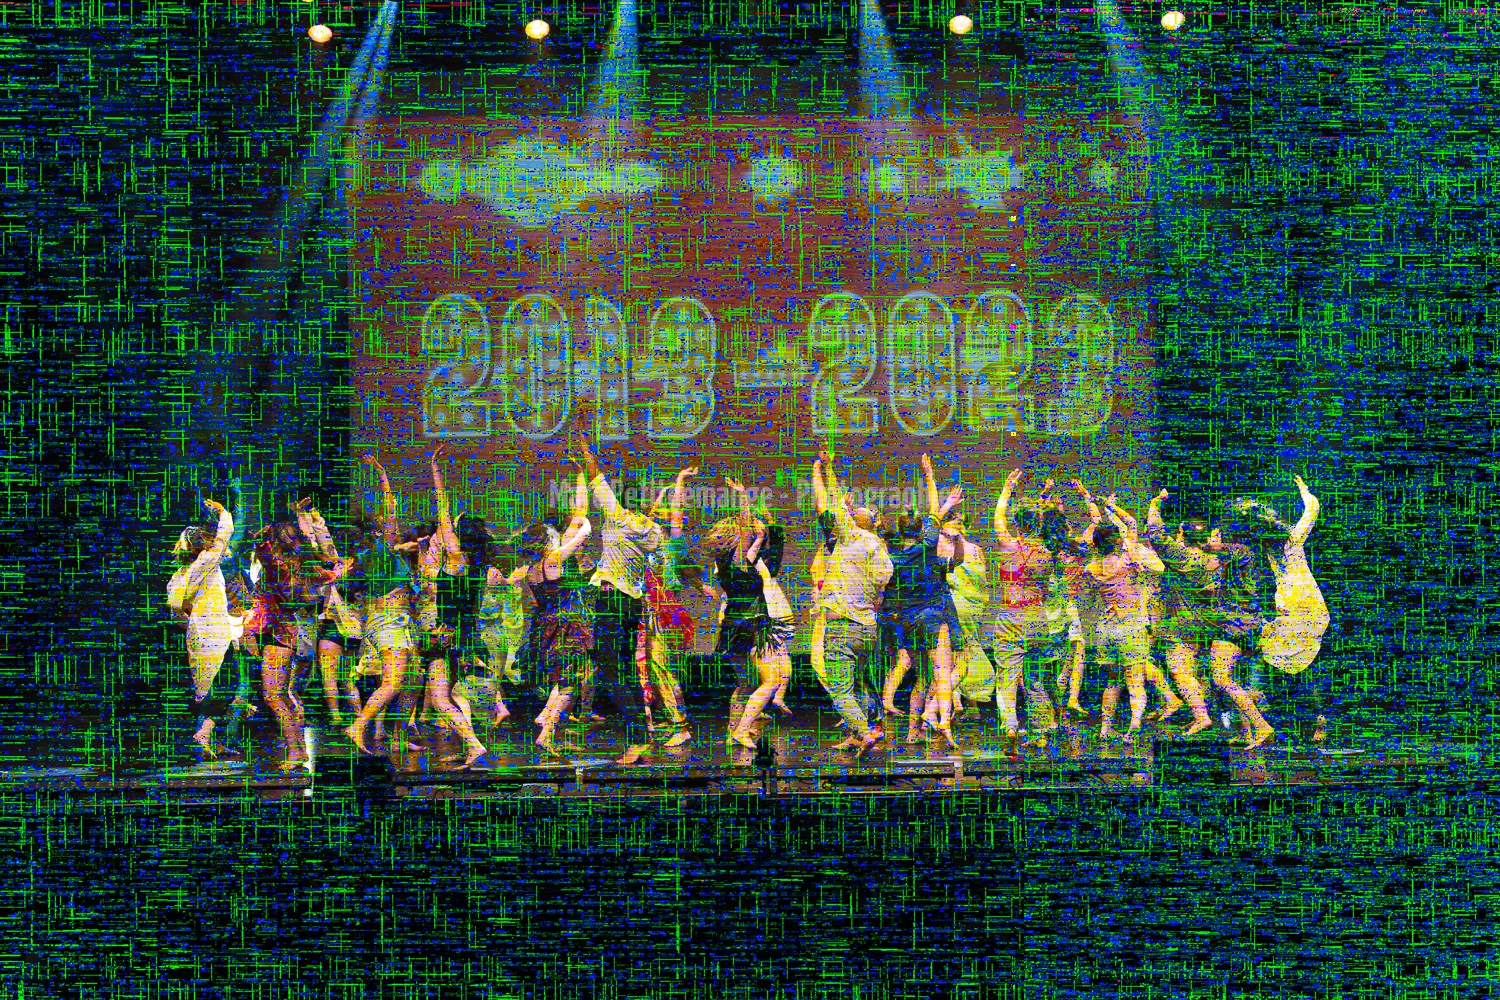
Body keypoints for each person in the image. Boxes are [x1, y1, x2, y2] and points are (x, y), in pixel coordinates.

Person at [1145, 491, 1275, 748]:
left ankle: (1259, 726)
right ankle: (1247, 730)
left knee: (1219, 677)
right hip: (1229, 623)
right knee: (1228, 677)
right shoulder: (1226, 557)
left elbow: (1157, 535)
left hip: (1231, 624)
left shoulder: (1224, 553)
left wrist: (1155, 504)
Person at [573, 422, 662, 746]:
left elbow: (596, 475)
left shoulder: (616, 516)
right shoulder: (651, 528)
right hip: (633, 602)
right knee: (625, 666)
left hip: (612, 600)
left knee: (610, 668)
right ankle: (642, 727)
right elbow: (654, 543)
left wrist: (584, 443)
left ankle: (637, 732)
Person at [245, 503, 350, 770]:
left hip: (278, 633)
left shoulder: (278, 566)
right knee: (283, 694)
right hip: (288, 631)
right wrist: (339, 568)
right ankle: (298, 749)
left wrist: (260, 539)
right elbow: (331, 574)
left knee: (274, 696)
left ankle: (295, 750)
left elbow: (262, 551)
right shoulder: (303, 567)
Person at [810, 452, 894, 758]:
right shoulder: (878, 546)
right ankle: (862, 731)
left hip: (843, 625)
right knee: (858, 684)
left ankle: (863, 732)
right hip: (867, 628)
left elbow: (831, 501)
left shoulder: (848, 538)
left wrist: (828, 470)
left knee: (839, 687)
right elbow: (884, 580)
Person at [880, 454, 966, 749]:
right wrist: (930, 478)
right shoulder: (928, 545)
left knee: (921, 675)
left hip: (906, 621)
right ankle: (944, 723)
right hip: (930, 616)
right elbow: (934, 513)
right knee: (941, 672)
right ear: (920, 531)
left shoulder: (892, 558)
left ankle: (912, 731)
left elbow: (932, 517)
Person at [411, 445, 489, 768]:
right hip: (463, 634)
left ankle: (474, 745)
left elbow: (442, 509)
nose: (448, 529)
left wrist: (435, 471)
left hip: (446, 636)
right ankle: (469, 746)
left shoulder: (455, 558)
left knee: (440, 698)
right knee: (451, 694)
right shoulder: (477, 565)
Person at [1240, 476, 1330, 744]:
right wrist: (1305, 491)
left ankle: (1259, 706)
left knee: (1274, 656)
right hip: (1305, 605)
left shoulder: (1271, 546)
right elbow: (1311, 511)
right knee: (1298, 664)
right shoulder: (1288, 541)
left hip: (1294, 606)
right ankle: (1307, 716)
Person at [344, 455, 423, 758]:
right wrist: (383, 475)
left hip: (401, 622)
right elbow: (390, 510)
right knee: (393, 681)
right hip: (390, 622)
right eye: (388, 527)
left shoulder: (385, 555)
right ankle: (358, 726)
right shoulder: (378, 551)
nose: (395, 527)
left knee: (414, 681)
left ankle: (399, 737)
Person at [707, 479, 796, 751]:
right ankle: (742, 730)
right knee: (772, 680)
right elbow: (746, 526)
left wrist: (758, 538)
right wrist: (743, 496)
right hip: (753, 624)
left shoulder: (722, 564)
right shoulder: (741, 562)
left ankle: (733, 729)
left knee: (745, 682)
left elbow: (751, 540)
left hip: (732, 625)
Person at [513, 473, 594, 755]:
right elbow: (582, 527)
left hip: (545, 627)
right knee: (571, 682)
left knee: (565, 677)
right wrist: (585, 524)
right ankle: (547, 732)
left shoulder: (531, 568)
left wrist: (581, 477)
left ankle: (546, 714)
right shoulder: (555, 558)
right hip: (565, 626)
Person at [992, 469, 1066, 747]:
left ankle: (1010, 726)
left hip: (1011, 615)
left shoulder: (1008, 545)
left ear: (1018, 524)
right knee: (1035, 678)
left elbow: (998, 519)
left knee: (1007, 676)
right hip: (1037, 616)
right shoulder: (1047, 554)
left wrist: (1007, 489)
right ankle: (1041, 731)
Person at [632, 466, 702, 753]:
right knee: (656, 669)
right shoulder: (649, 546)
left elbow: (676, 512)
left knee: (663, 669)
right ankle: (673, 718)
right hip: (651, 613)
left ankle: (680, 726)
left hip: (664, 615)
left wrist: (679, 482)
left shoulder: (671, 542)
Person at [167, 498, 240, 759]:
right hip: (214, 633)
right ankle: (204, 734)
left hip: (198, 633)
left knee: (209, 684)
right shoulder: (205, 564)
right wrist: (223, 513)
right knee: (226, 682)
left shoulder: (180, 574)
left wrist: (192, 623)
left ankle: (213, 740)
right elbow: (223, 538)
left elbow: (176, 609)